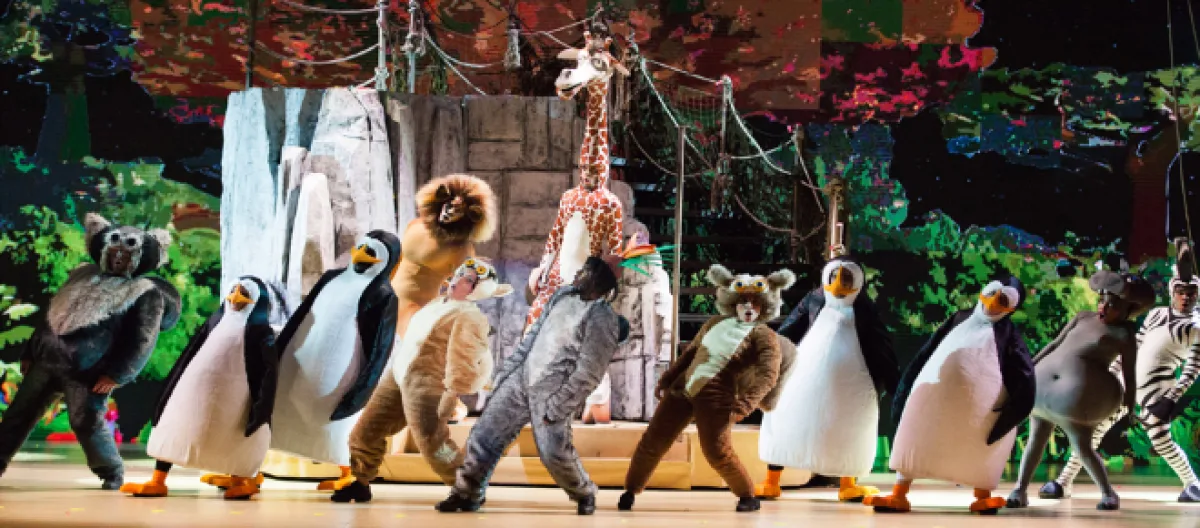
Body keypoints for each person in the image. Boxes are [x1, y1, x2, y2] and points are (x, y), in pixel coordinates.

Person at [437, 256, 627, 515]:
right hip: (522, 377)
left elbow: (589, 372)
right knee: (484, 434)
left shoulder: (602, 317)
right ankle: (466, 493)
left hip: (552, 391)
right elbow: (532, 338)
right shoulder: (563, 295)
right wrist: (508, 373)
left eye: (584, 271)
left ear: (598, 278)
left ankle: (584, 492)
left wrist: (559, 405)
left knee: (553, 452)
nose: (577, 274)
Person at [334, 258, 510, 503]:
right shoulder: (438, 303)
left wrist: (452, 393)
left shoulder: (469, 316)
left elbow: (465, 359)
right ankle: (360, 480)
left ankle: (468, 489)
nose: (459, 279)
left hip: (428, 385)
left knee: (434, 444)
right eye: (461, 273)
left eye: (469, 280)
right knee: (365, 432)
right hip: (399, 375)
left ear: (477, 290)